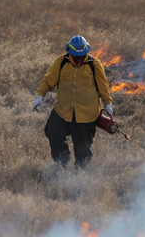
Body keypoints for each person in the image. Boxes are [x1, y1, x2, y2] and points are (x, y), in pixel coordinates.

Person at [32, 35, 113, 169]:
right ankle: (61, 163)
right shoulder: (61, 62)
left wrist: (108, 103)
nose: (79, 60)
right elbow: (48, 80)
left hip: (86, 115)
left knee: (82, 149)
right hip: (62, 110)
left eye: (82, 57)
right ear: (69, 52)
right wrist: (40, 95)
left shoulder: (94, 64)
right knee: (52, 132)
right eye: (76, 57)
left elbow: (103, 86)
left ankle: (80, 175)